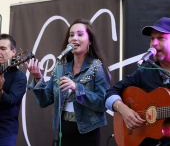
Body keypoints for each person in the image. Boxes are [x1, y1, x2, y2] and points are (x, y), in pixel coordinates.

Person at [26, 18, 112, 146]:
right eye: (71, 35)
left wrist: (77, 88)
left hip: (87, 133)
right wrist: (38, 77)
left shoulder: (97, 67)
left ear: (90, 41)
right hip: (62, 131)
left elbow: (102, 103)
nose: (74, 38)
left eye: (80, 34)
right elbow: (45, 100)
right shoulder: (60, 67)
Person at [105, 17, 170, 146]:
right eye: (152, 38)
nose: (154, 43)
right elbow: (110, 93)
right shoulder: (145, 71)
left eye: (161, 38)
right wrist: (123, 109)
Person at [0, 34, 27, 146]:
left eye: (3, 48)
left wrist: (0, 90)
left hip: (4, 133)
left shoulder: (19, 77)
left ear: (14, 52)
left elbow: (11, 101)